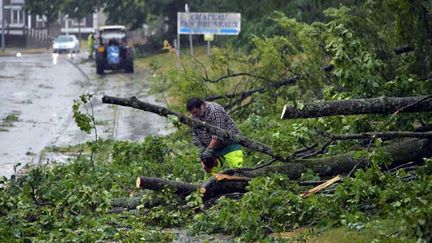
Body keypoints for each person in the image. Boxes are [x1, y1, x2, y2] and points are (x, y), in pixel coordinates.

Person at [186, 97, 244, 174]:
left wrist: (209, 149)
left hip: (229, 145)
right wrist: (202, 149)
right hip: (213, 150)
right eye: (192, 113)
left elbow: (219, 133)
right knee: (213, 176)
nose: (195, 115)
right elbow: (195, 135)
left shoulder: (215, 110)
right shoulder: (194, 117)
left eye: (196, 112)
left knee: (237, 170)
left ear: (202, 105)